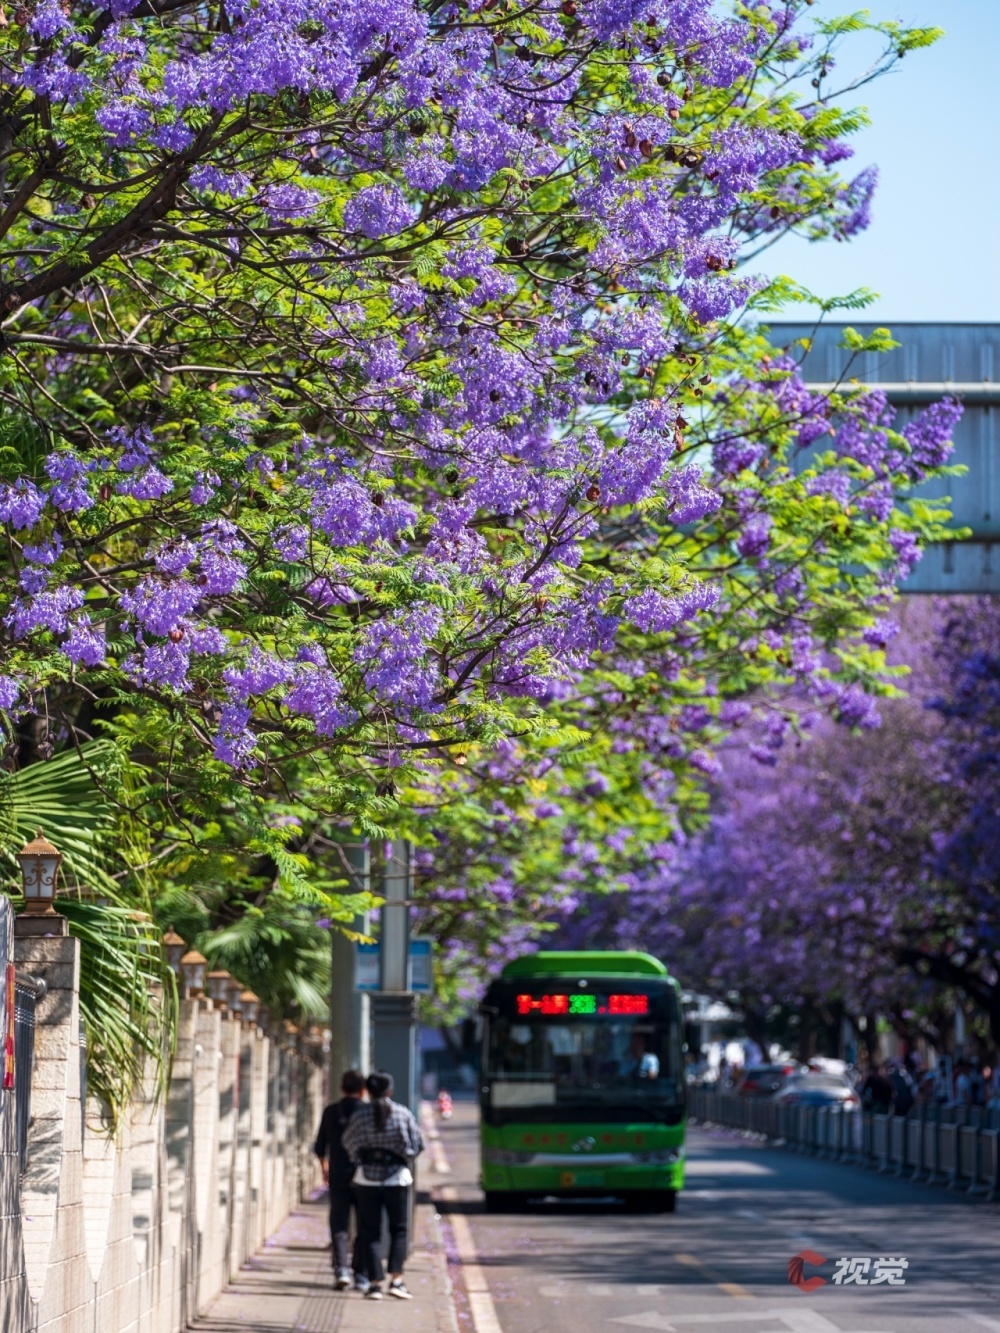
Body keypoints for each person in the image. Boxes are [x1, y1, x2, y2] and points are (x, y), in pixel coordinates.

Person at [342, 1070, 425, 1302]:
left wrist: (362, 1158)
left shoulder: (359, 1115)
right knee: (399, 1229)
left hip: (366, 1179)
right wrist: (402, 1159)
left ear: (367, 1091)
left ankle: (375, 1283)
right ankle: (397, 1280)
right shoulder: (402, 1113)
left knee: (369, 1231)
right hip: (397, 1179)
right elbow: (418, 1144)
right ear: (390, 1091)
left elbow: (348, 1143)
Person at [314, 1070, 366, 1291]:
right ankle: (361, 1274)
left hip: (337, 1173)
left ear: (342, 1088)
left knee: (339, 1221)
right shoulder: (367, 1112)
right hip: (364, 1176)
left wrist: (324, 1168)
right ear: (363, 1090)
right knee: (364, 1223)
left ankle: (341, 1269)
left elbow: (320, 1146)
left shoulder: (331, 1111)